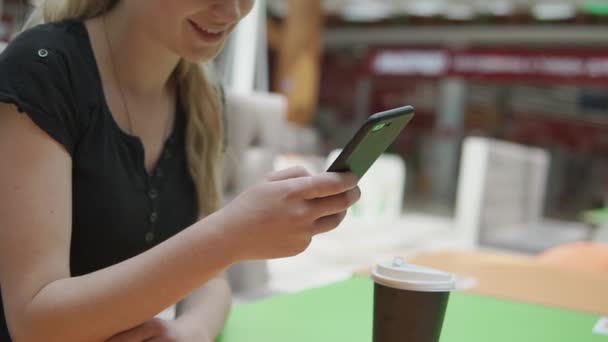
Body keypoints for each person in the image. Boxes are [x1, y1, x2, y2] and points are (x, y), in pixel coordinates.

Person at [0, 1, 361, 341]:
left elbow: (212, 280)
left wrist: (193, 330)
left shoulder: (200, 95)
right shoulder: (42, 69)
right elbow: (36, 323)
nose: (231, 11)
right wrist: (232, 235)